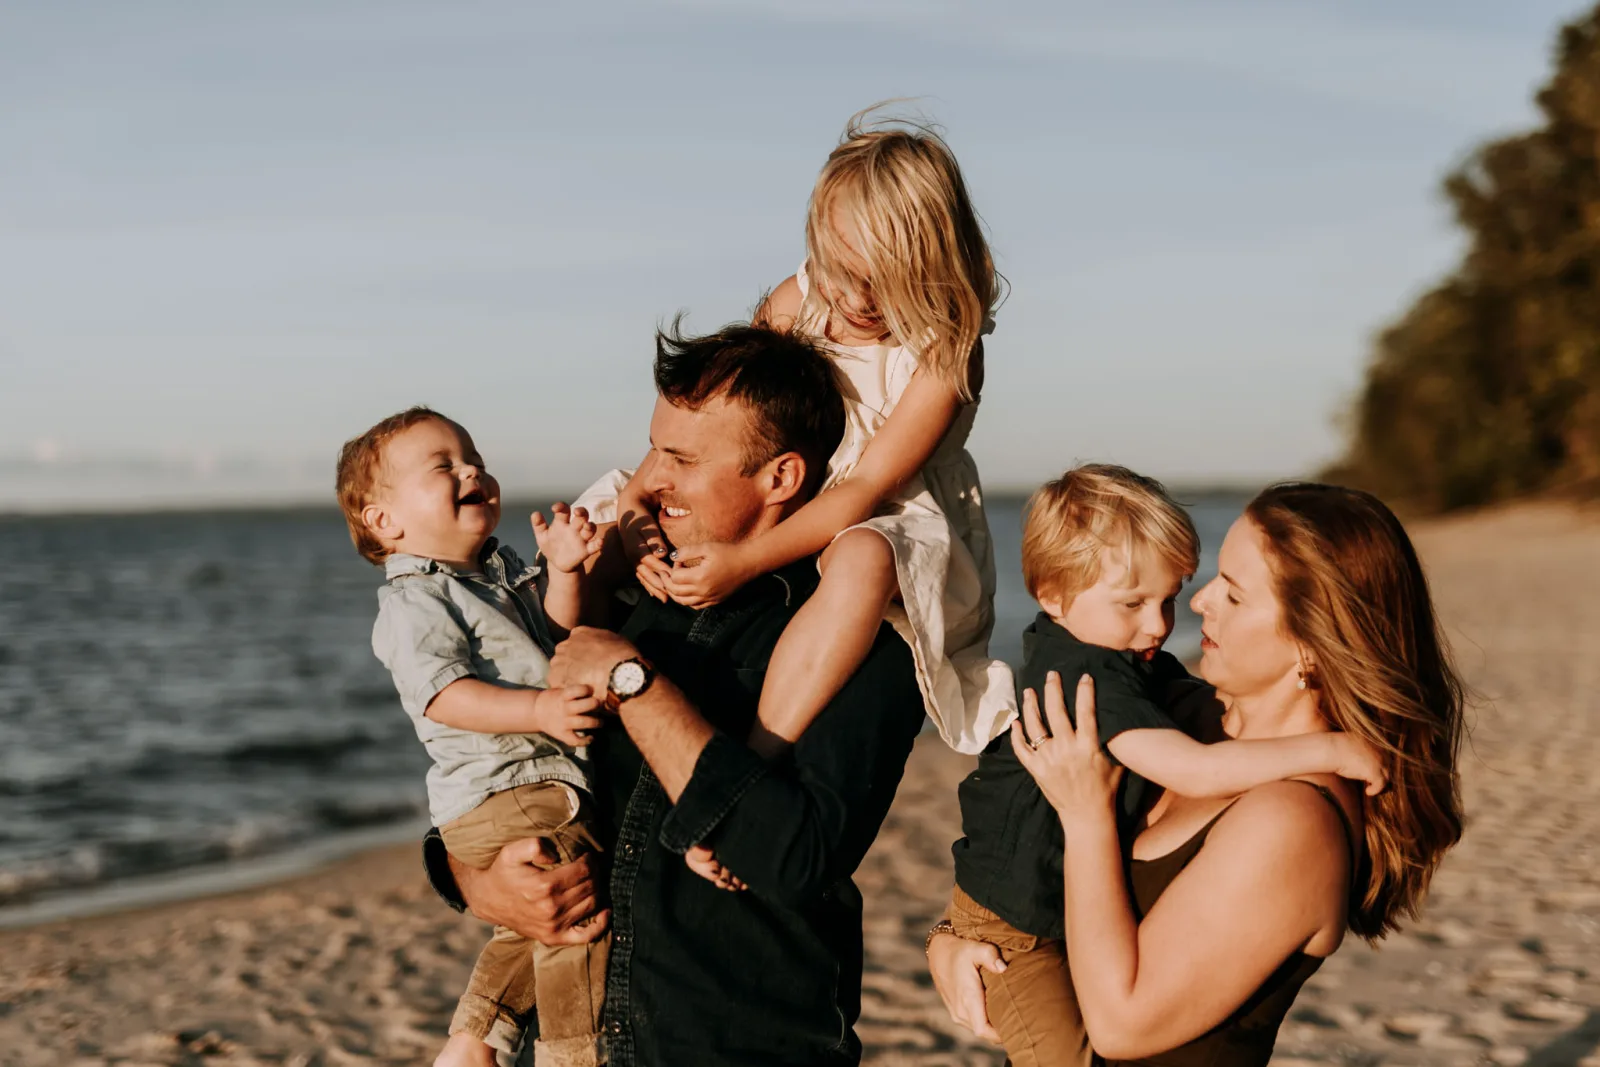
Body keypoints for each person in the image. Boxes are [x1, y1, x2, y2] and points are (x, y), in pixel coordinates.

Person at [421, 322, 929, 1067]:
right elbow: (492, 768)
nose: (650, 479)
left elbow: (793, 858)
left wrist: (635, 682)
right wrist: (474, 879)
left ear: (781, 478)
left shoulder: (860, 640)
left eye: (683, 459)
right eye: (654, 446)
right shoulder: (613, 593)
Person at [575, 108, 1013, 892]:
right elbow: (723, 405)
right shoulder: (798, 298)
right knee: (616, 517)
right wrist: (642, 502)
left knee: (863, 561)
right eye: (839, 271)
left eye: (879, 281)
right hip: (782, 477)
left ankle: (759, 751)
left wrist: (744, 560)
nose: (852, 298)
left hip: (873, 511)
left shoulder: (945, 352)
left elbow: (868, 489)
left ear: (932, 266)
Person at [930, 483, 1466, 1067]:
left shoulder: (1294, 819)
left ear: (1311, 645)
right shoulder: (1177, 716)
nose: (1199, 601)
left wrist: (1087, 818)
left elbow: (1119, 1026)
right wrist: (952, 941)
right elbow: (1027, 853)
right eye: (1212, 578)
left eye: (1233, 596)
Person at [336, 408, 610, 1067]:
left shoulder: (494, 569)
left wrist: (567, 572)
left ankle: (474, 1042)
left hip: (527, 781)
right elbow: (444, 695)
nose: (472, 471)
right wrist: (540, 710)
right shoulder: (414, 601)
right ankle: (571, 1051)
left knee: (531, 920)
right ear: (385, 521)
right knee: (576, 913)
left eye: (473, 458)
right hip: (502, 787)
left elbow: (554, 634)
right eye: (443, 466)